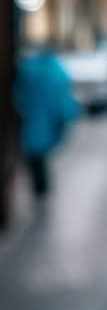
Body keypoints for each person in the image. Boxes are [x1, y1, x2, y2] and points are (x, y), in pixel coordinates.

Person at [13, 43, 80, 201]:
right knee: (39, 156)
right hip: (47, 122)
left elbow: (18, 96)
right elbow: (65, 103)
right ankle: (41, 191)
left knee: (35, 155)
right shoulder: (58, 72)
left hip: (32, 121)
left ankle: (40, 191)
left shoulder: (29, 70)